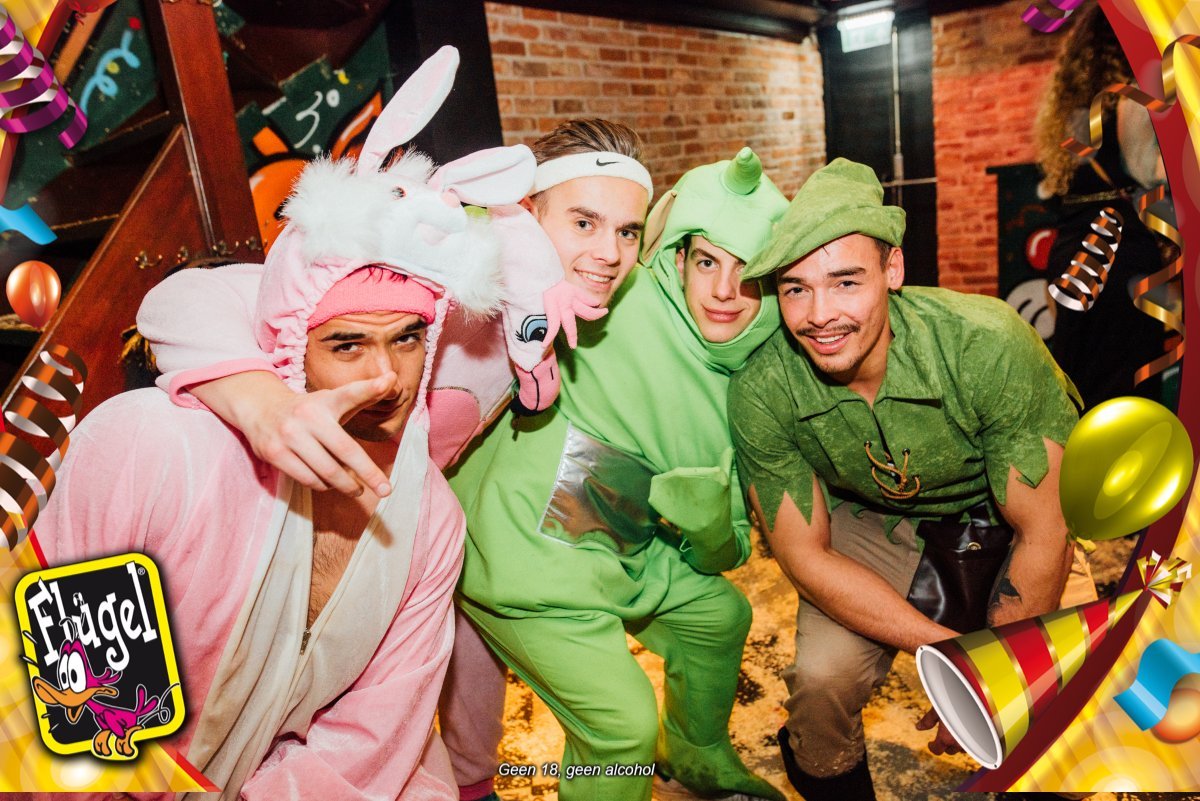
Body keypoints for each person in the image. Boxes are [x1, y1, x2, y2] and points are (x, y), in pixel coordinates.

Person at [136, 117, 653, 801]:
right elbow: (184, 299)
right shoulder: (442, 274)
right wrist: (264, 404)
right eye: (584, 223)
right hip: (282, 521)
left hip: (413, 534)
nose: (609, 252)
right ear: (523, 215)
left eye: (628, 231)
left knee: (408, 721)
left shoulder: (558, 316)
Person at [27, 131, 528, 799]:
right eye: (347, 345)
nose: (386, 377)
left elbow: (368, 739)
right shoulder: (150, 447)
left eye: (407, 339)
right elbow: (70, 700)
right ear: (291, 343)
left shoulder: (433, 521)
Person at [728, 159, 1097, 801]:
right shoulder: (762, 388)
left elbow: (1045, 530)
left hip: (1003, 518)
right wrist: (954, 661)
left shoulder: (987, 345)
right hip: (872, 519)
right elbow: (805, 557)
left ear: (893, 270)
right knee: (821, 685)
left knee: (1066, 702)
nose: (820, 315)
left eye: (846, 282)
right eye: (795, 289)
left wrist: (997, 674)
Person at [447, 147, 789, 801]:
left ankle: (695, 751)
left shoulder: (768, 376)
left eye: (748, 271)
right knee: (620, 727)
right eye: (707, 262)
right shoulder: (615, 292)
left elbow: (728, 550)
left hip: (630, 547)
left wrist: (709, 522)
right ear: (677, 258)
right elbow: (469, 248)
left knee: (719, 616)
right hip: (524, 555)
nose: (724, 291)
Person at [1034, 3, 1171, 409]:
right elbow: (1153, 175)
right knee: (1128, 375)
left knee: (1079, 371)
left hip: (1071, 247)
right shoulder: (1132, 102)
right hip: (1119, 248)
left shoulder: (1067, 114)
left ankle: (1082, 444)